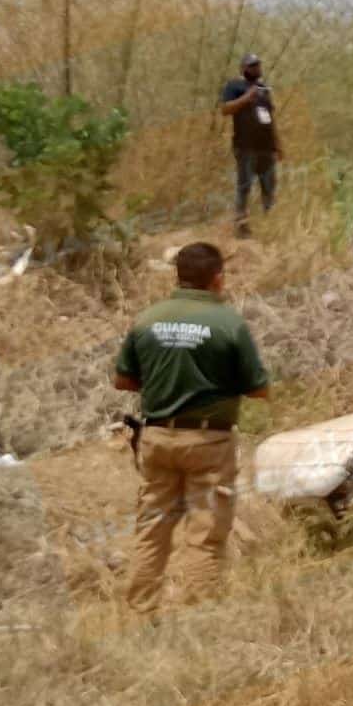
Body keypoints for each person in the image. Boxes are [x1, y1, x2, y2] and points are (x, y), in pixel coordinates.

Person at [114, 242, 270, 613]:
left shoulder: (148, 318)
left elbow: (123, 380)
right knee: (205, 535)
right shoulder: (229, 323)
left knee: (152, 530)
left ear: (179, 275)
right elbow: (259, 388)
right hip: (208, 442)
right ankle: (197, 619)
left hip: (155, 438)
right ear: (217, 279)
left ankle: (141, 614)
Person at [219, 53, 281, 239]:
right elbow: (225, 109)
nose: (256, 68)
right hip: (245, 147)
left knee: (269, 187)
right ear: (243, 69)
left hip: (266, 148)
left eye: (258, 65)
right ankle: (241, 227)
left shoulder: (264, 89)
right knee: (244, 186)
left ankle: (270, 226)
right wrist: (247, 97)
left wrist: (278, 145)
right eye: (252, 66)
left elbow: (270, 119)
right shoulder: (234, 86)